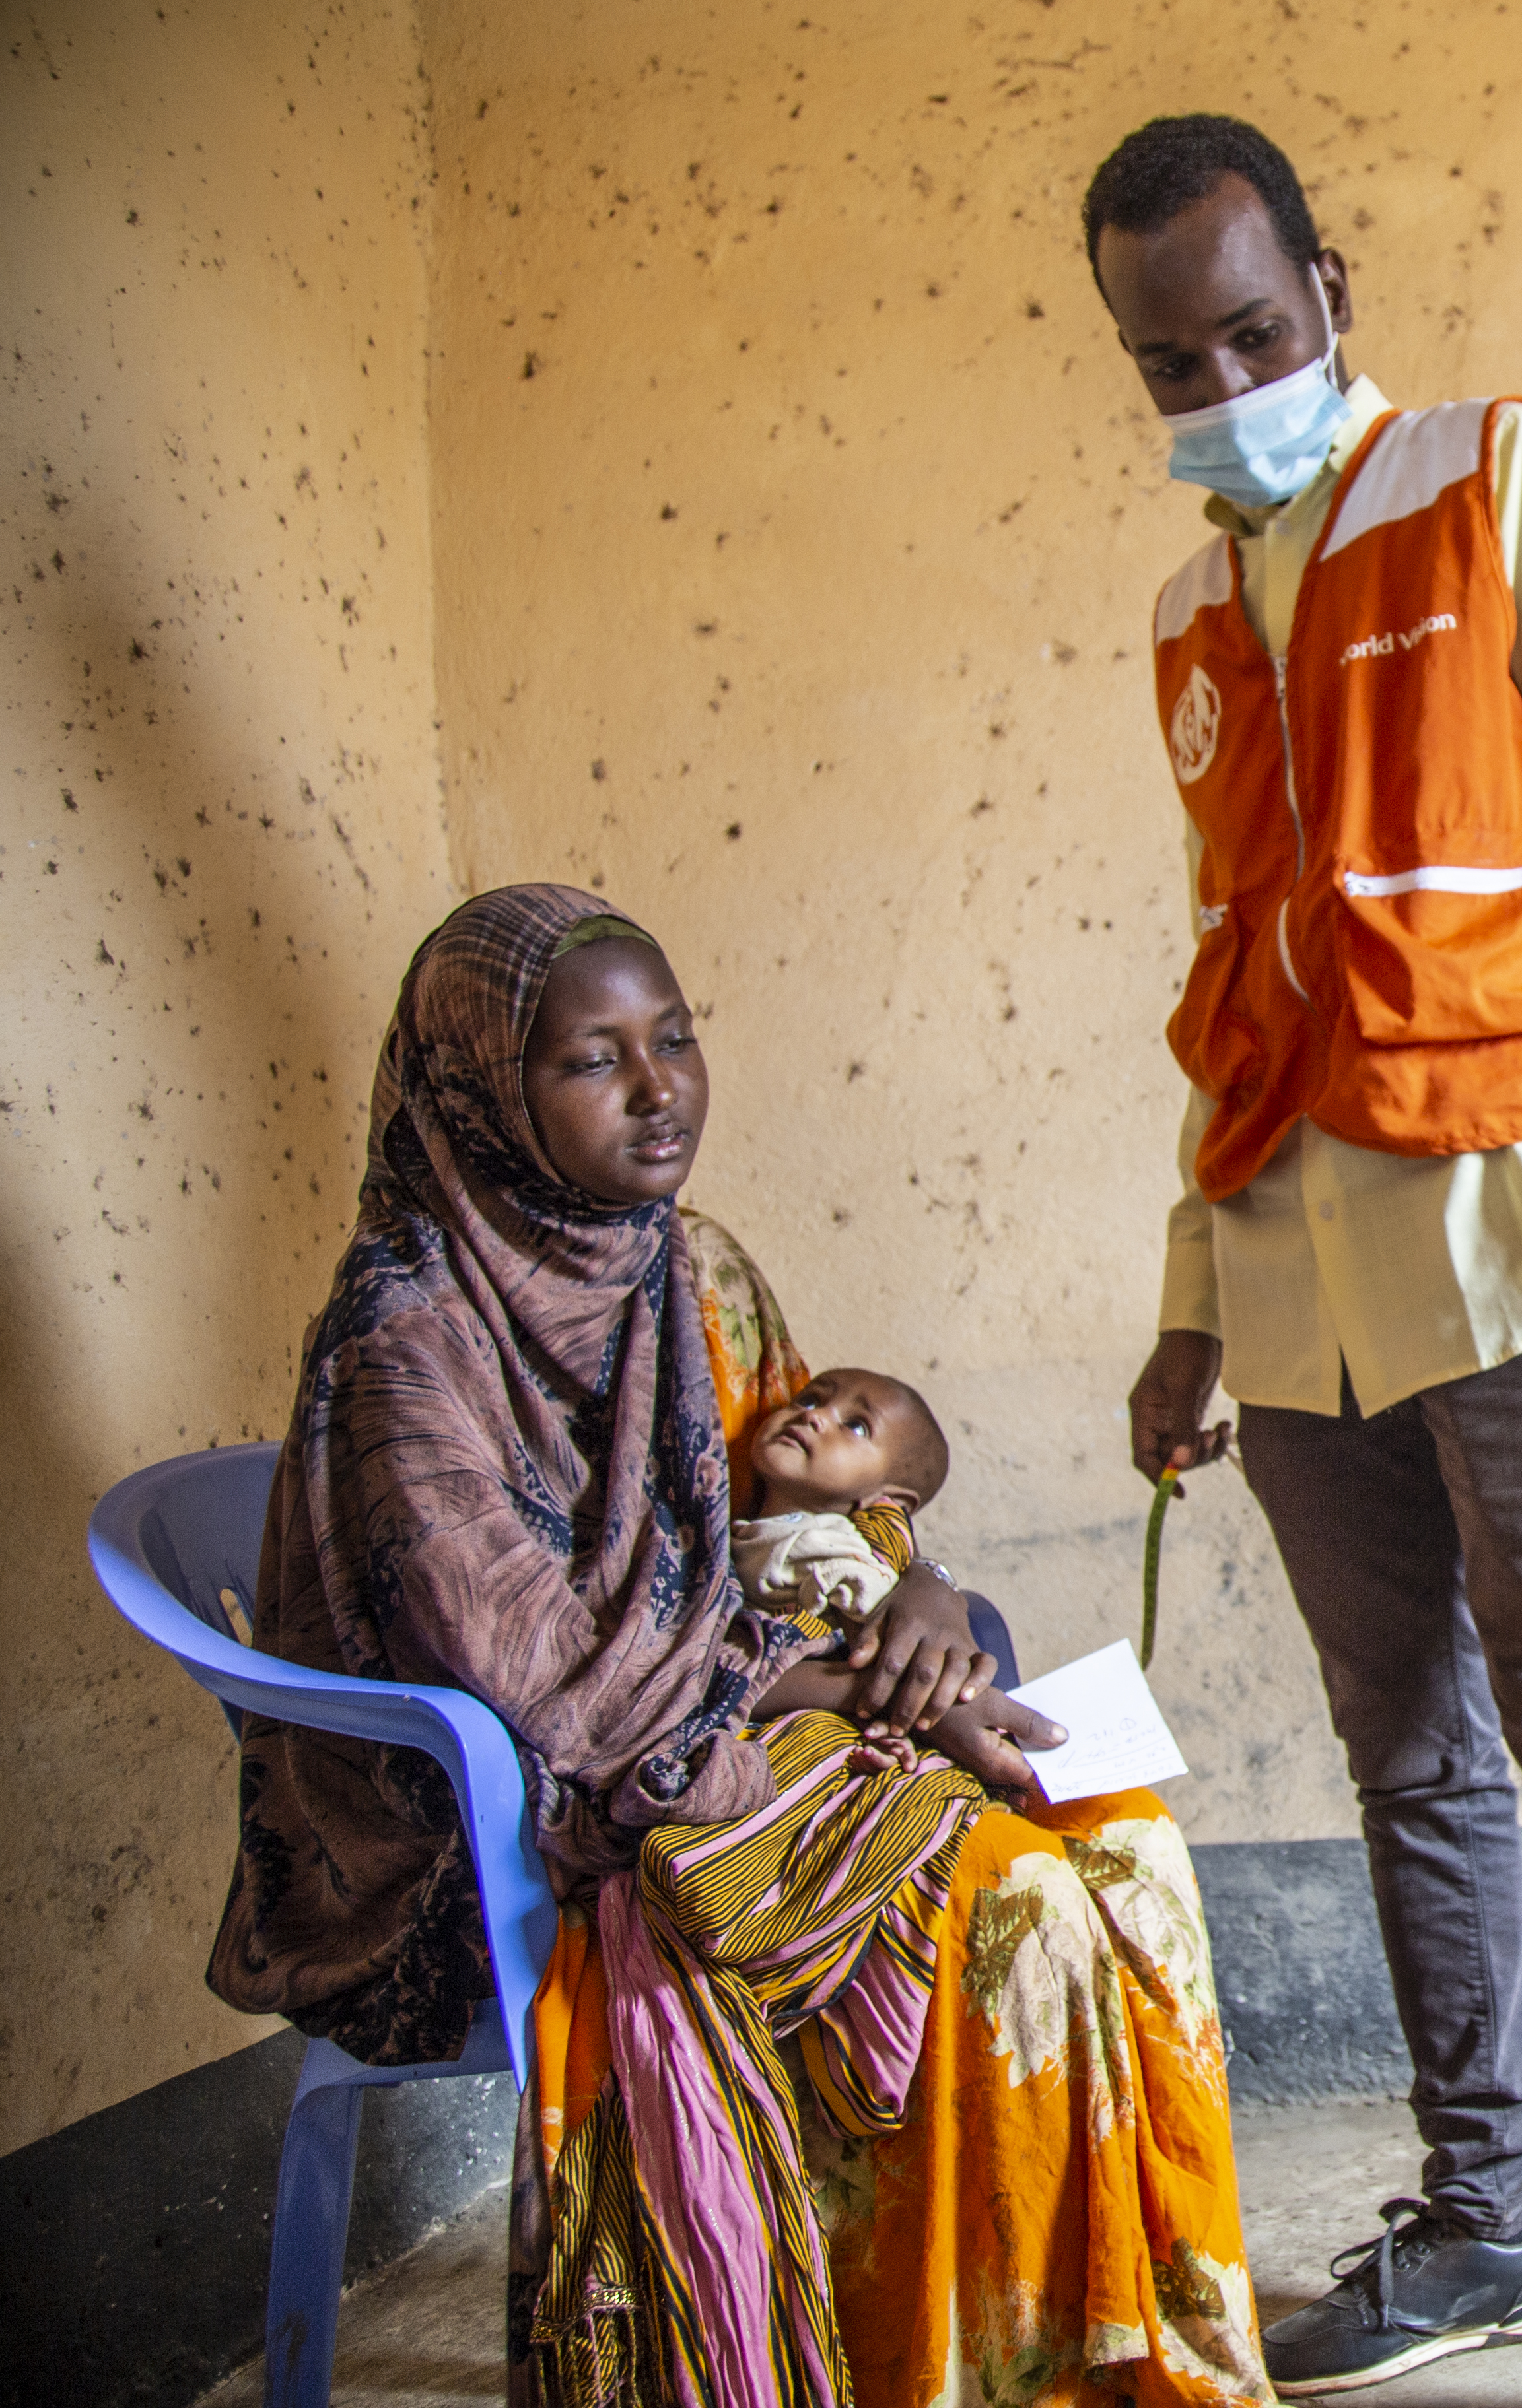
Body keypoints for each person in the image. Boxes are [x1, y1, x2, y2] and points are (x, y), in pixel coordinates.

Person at [205, 885, 1275, 2408]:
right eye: (593, 1059)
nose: (659, 1091)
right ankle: (965, 2374)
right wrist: (852, 1679)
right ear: (485, 1092)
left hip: (749, 1726)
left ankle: (1122, 2356)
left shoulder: (686, 1267)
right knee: (1016, 1908)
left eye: (676, 1039)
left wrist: (919, 1589)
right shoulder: (408, 1338)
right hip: (517, 1822)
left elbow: (817, 1481)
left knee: (1131, 1852)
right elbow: (537, 1675)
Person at [1081, 114, 1522, 2407]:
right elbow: (1230, 969)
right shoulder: (1184, 611)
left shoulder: (1493, 477)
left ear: (1329, 284)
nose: (1223, 381)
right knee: (1409, 1760)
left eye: (1254, 332)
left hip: (1520, 1228)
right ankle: (1494, 2218)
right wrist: (1190, 1289)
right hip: (1288, 1277)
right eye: (1173, 360)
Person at [733, 1368, 958, 1626]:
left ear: (888, 1499)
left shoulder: (846, 1558)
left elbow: (864, 1635)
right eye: (809, 1400)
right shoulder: (733, 1529)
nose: (813, 1415)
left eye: (856, 1427)